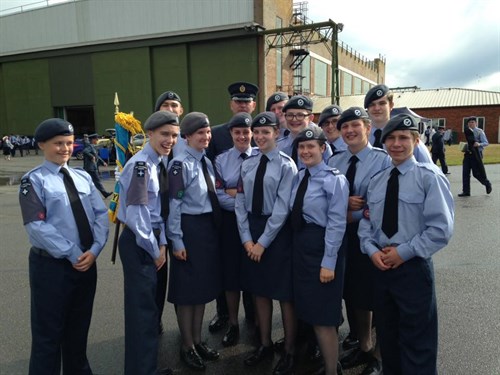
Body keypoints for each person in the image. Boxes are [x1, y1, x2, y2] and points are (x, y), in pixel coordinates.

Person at [358, 113, 454, 374]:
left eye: (403, 138)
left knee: (417, 344)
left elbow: (441, 229)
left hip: (412, 268)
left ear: (416, 140)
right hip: (381, 268)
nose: (396, 144)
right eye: (391, 138)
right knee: (388, 340)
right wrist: (370, 250)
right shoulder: (378, 180)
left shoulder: (429, 177)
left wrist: (403, 252)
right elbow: (366, 223)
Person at [19, 118, 109, 375]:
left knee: (78, 331)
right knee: (48, 336)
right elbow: (36, 226)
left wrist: (95, 249)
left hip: (86, 263)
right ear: (42, 145)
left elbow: (100, 214)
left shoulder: (82, 177)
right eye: (58, 143)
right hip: (52, 266)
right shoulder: (33, 181)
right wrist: (74, 253)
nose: (65, 148)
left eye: (69, 143)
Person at [329, 107, 391, 375]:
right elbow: (325, 202)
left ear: (367, 128)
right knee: (355, 293)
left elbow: (382, 203)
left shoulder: (383, 160)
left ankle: (379, 355)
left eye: (355, 125)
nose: (350, 131)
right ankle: (364, 346)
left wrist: (349, 213)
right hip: (342, 237)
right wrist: (344, 208)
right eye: (345, 127)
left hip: (374, 237)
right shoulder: (335, 161)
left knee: (379, 295)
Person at [235, 112, 298, 375]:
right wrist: (247, 239)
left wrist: (262, 243)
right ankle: (264, 344)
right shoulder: (248, 163)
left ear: (276, 133)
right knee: (259, 291)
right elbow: (240, 203)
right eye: (256, 133)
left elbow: (283, 209)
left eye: (265, 132)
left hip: (277, 233)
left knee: (284, 295)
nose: (260, 137)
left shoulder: (287, 165)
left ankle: (290, 351)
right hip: (252, 229)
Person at [117, 111, 180, 375]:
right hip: (140, 242)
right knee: (142, 313)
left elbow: (157, 212)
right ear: (150, 133)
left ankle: (146, 367)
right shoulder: (141, 166)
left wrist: (163, 242)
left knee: (149, 311)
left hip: (153, 240)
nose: (170, 140)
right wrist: (155, 250)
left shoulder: (158, 163)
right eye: (165, 134)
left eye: (175, 136)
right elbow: (137, 215)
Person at [291, 127, 349, 375]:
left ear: (323, 149)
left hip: (323, 247)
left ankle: (331, 371)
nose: (305, 151)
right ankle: (329, 365)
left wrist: (329, 262)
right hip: (302, 247)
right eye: (301, 147)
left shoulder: (334, 179)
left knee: (323, 316)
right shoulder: (299, 176)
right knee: (312, 312)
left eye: (311, 146)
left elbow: (337, 223)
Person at [167, 112, 222, 371]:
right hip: (188, 229)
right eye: (200, 132)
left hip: (206, 231)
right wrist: (176, 240)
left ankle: (198, 340)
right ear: (186, 136)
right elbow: (174, 205)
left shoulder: (206, 163)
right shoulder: (180, 164)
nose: (206, 136)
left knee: (201, 289)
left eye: (208, 132)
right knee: (187, 292)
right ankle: (186, 345)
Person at [205, 81, 259, 334]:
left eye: (247, 102)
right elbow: (213, 183)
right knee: (224, 269)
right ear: (231, 104)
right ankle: (224, 315)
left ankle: (253, 316)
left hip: (252, 216)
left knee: (251, 268)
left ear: (254, 105)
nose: (242, 105)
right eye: (238, 101)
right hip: (225, 217)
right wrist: (236, 196)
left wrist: (235, 192)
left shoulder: (261, 133)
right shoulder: (215, 134)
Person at [214, 112, 259, 347]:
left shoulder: (262, 157)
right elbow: (220, 195)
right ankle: (233, 323)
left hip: (255, 225)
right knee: (230, 277)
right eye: (237, 132)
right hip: (231, 225)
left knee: (256, 274)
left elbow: (264, 196)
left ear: (252, 133)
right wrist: (244, 202)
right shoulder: (221, 160)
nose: (242, 136)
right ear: (231, 133)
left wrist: (238, 195)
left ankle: (258, 324)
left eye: (246, 131)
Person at [153, 90, 185, 335]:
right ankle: (154, 320)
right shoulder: (150, 143)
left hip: (184, 220)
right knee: (157, 276)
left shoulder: (188, 140)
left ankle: (185, 327)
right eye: (165, 105)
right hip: (156, 217)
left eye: (174, 105)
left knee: (183, 277)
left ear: (181, 111)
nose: (170, 109)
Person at [364, 84, 432, 163]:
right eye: (372, 105)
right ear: (367, 109)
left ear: (391, 105)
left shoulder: (407, 138)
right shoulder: (360, 138)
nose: (377, 108)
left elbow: (429, 169)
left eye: (382, 103)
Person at [277, 95, 332, 168]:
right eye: (290, 115)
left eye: (300, 115)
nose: (294, 119)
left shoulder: (321, 146)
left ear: (310, 118)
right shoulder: (278, 146)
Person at [458, 116, 492, 196]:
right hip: (467, 154)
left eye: (472, 122)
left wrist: (479, 144)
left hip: (476, 155)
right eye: (469, 122)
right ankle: (466, 191)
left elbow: (486, 142)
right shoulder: (467, 131)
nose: (471, 124)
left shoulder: (480, 131)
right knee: (465, 173)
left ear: (476, 123)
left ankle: (487, 183)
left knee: (476, 173)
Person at [83, 133, 113, 198]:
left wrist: (103, 162)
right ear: (93, 140)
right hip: (90, 168)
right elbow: (85, 151)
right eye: (96, 139)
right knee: (97, 181)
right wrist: (91, 156)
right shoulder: (90, 146)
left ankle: (87, 194)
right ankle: (104, 193)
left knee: (90, 182)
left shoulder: (93, 146)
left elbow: (97, 156)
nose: (97, 141)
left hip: (92, 167)